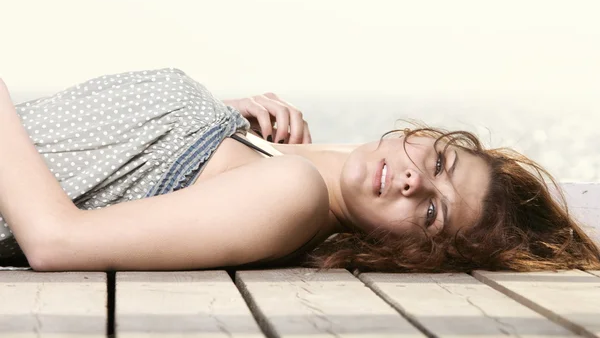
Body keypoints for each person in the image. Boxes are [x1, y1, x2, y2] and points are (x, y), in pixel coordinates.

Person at [0, 68, 598, 272]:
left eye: (432, 211)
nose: (417, 180)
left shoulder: (291, 193)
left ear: (412, 253)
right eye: (439, 160)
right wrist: (213, 114)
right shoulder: (278, 151)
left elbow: (59, 241)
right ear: (423, 135)